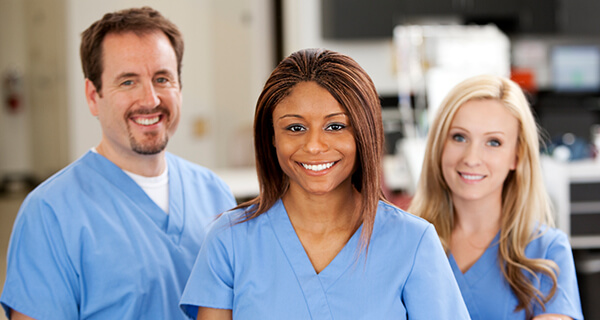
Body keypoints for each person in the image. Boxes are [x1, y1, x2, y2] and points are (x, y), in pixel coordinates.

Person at [179, 48, 470, 320]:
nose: (314, 145)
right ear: (271, 137)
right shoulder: (229, 241)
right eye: (295, 128)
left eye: (335, 126)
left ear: (364, 133)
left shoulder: (413, 242)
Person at [1, 7, 236, 320]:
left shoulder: (215, 194)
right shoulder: (49, 213)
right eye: (128, 82)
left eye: (162, 78)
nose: (150, 99)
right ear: (92, 96)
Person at [408, 74, 583, 320]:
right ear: (439, 146)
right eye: (459, 137)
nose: (471, 158)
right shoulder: (406, 244)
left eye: (493, 142)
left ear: (516, 156)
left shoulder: (547, 251)